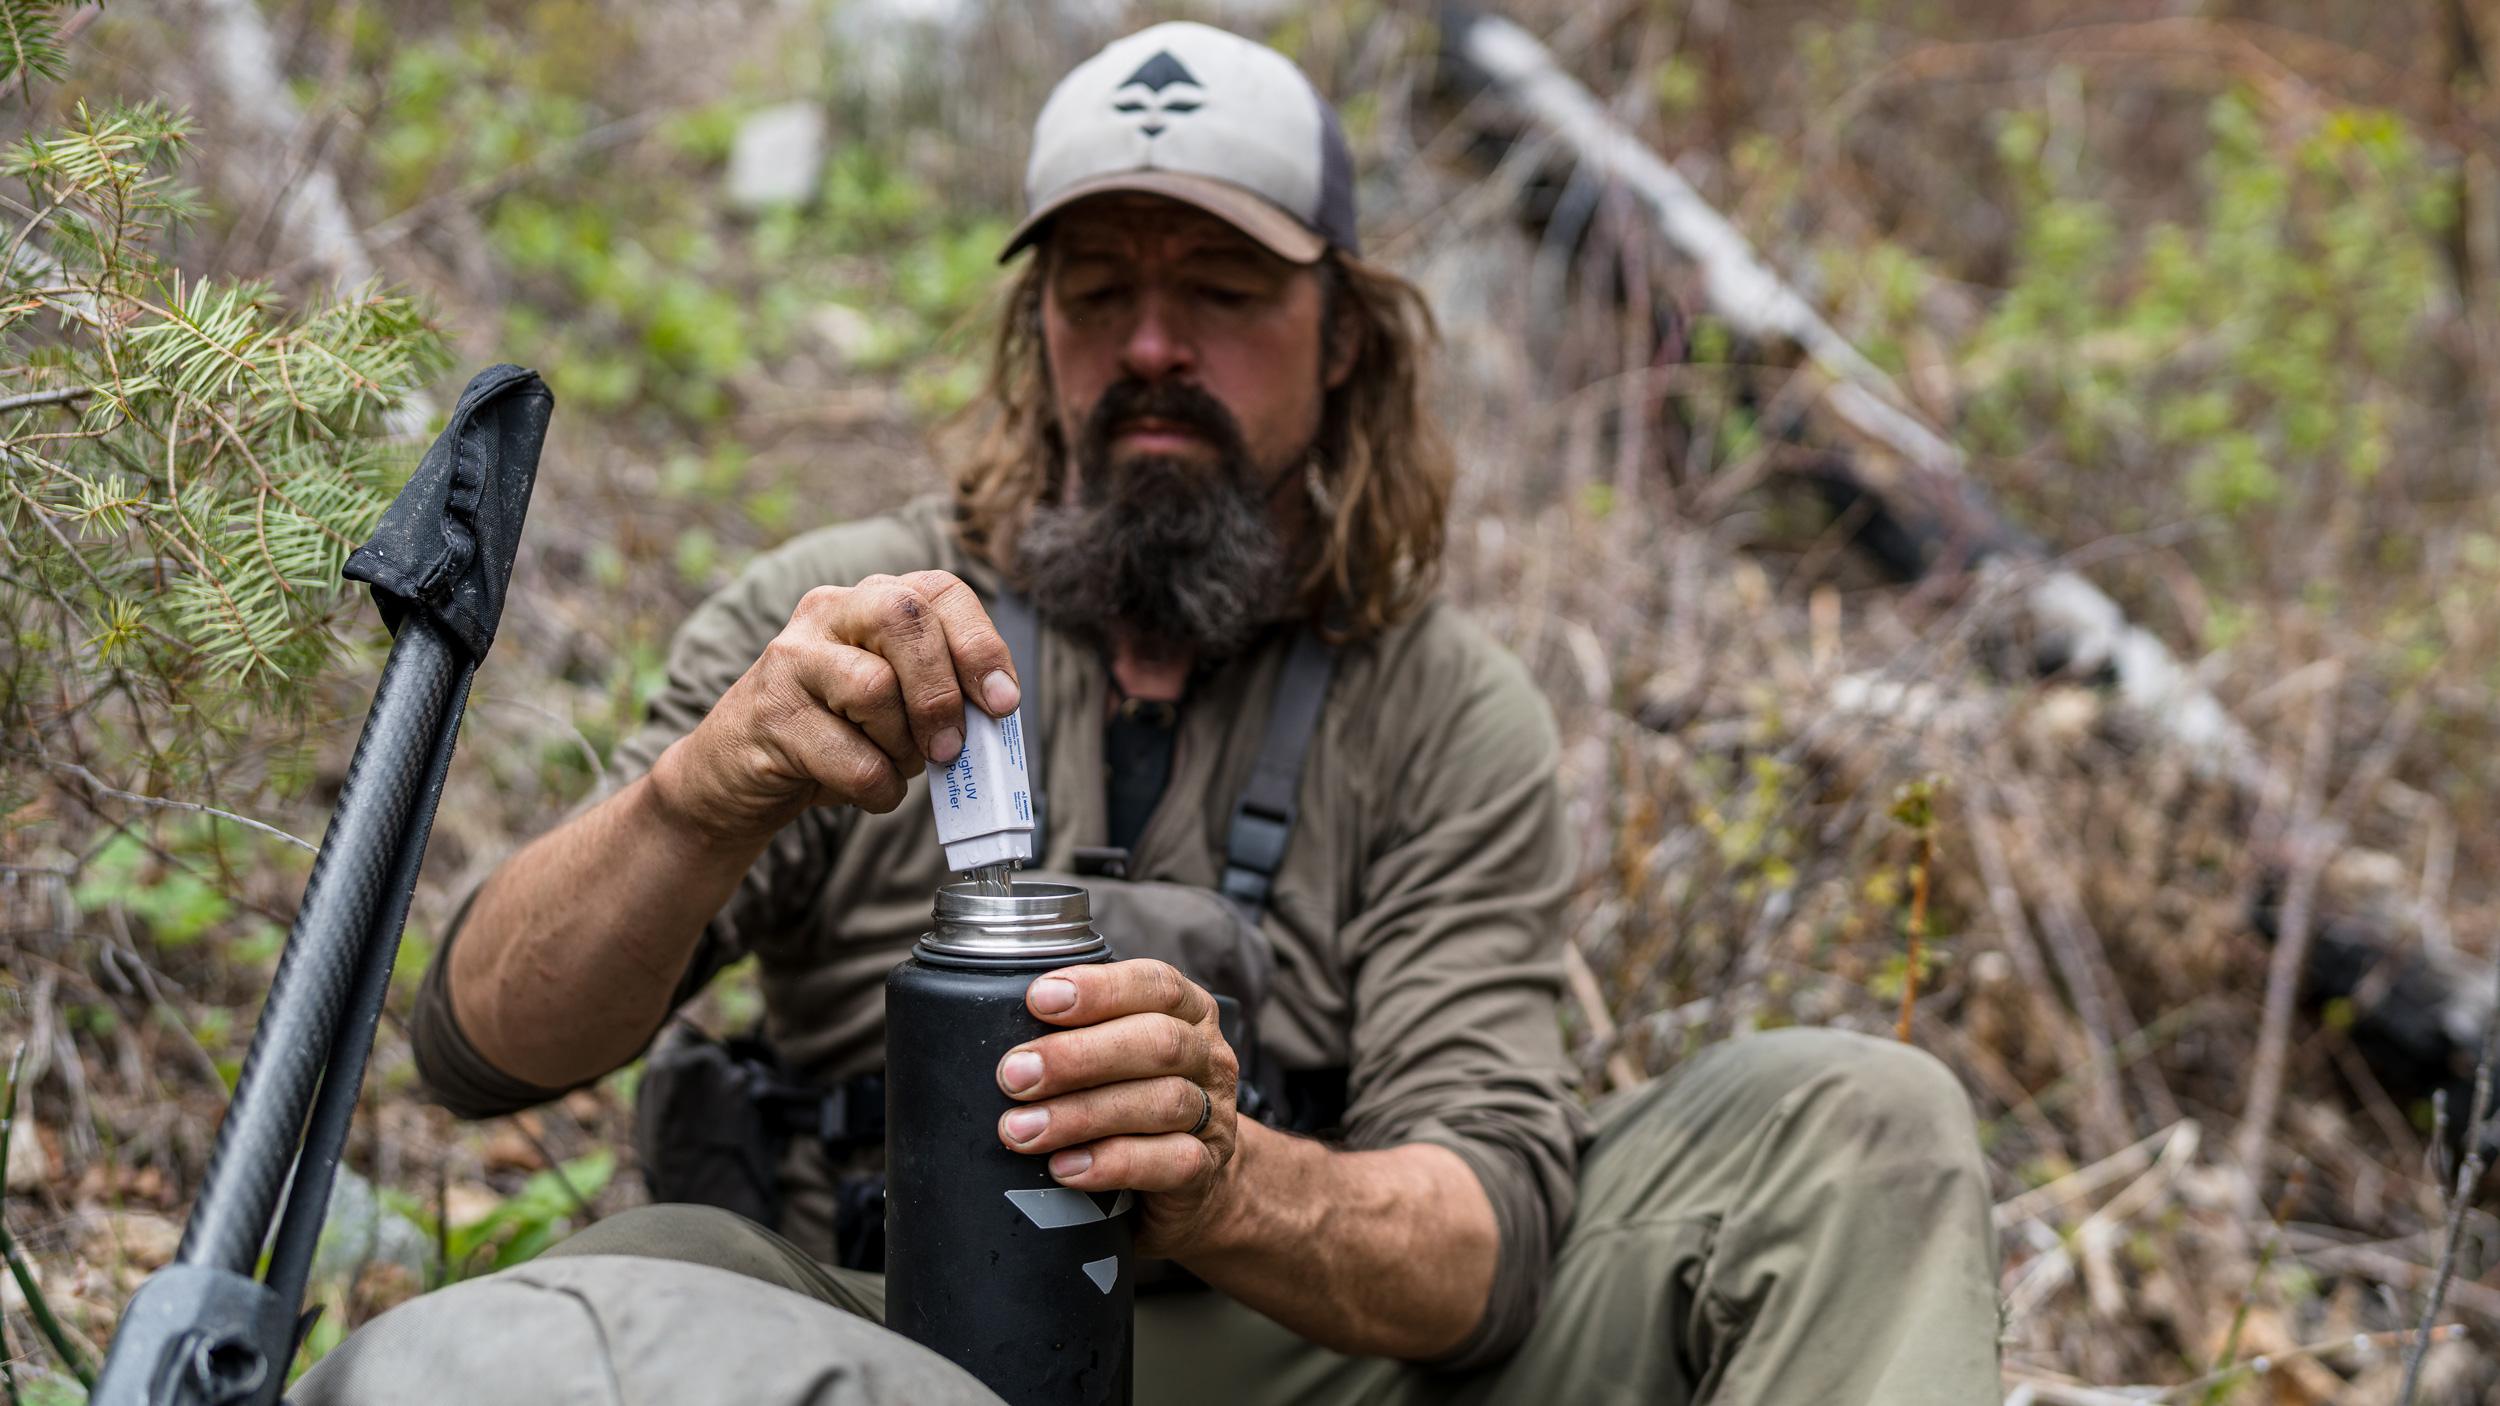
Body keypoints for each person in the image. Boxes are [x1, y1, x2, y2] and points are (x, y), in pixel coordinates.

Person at [308, 21, 2001, 1406]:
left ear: (1345, 339)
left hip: (1295, 1362)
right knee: (564, 1324)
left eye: (1224, 289)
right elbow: (477, 1049)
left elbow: (1488, 1249)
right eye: (1096, 290)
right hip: (865, 1344)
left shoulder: (1442, 710)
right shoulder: (831, 622)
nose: (1152, 345)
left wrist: (1226, 1175)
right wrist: (702, 794)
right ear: (1036, 327)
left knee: (1855, 1128)